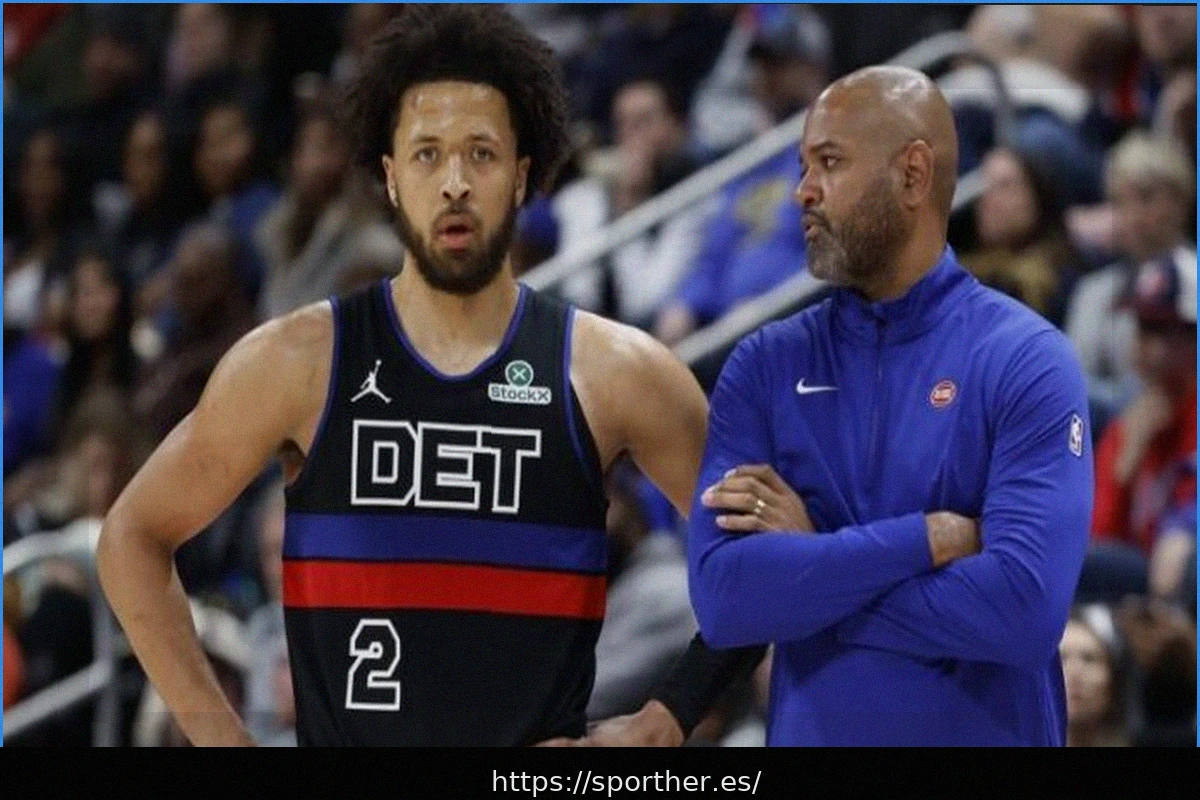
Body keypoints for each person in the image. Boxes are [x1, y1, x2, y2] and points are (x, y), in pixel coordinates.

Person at [98, 4, 752, 747]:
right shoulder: (295, 362)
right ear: (390, 176)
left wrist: (666, 718)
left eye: (482, 154)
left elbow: (761, 563)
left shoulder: (617, 371)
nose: (454, 183)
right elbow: (131, 538)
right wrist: (223, 741)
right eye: (427, 154)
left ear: (522, 175)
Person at [690, 65, 1093, 745]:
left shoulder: (1027, 359)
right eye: (803, 166)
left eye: (829, 162)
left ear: (912, 175)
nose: (802, 190)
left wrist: (812, 565)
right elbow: (727, 601)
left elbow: (1022, 611)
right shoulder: (763, 366)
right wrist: (923, 541)